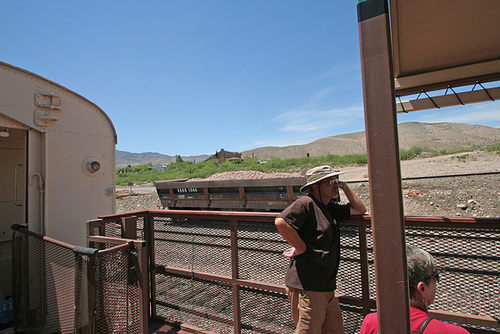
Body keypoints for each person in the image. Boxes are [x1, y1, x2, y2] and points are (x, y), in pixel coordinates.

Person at [275, 165, 367, 334]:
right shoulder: (306, 204)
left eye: (336, 180)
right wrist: (300, 247)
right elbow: (281, 222)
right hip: (309, 286)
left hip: (327, 286)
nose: (335, 185)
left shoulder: (330, 207)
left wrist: (345, 186)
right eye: (330, 182)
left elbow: (360, 209)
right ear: (316, 187)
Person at [359, 245, 470, 334]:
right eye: (435, 277)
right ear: (421, 288)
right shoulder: (454, 332)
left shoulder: (371, 323)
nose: (436, 282)